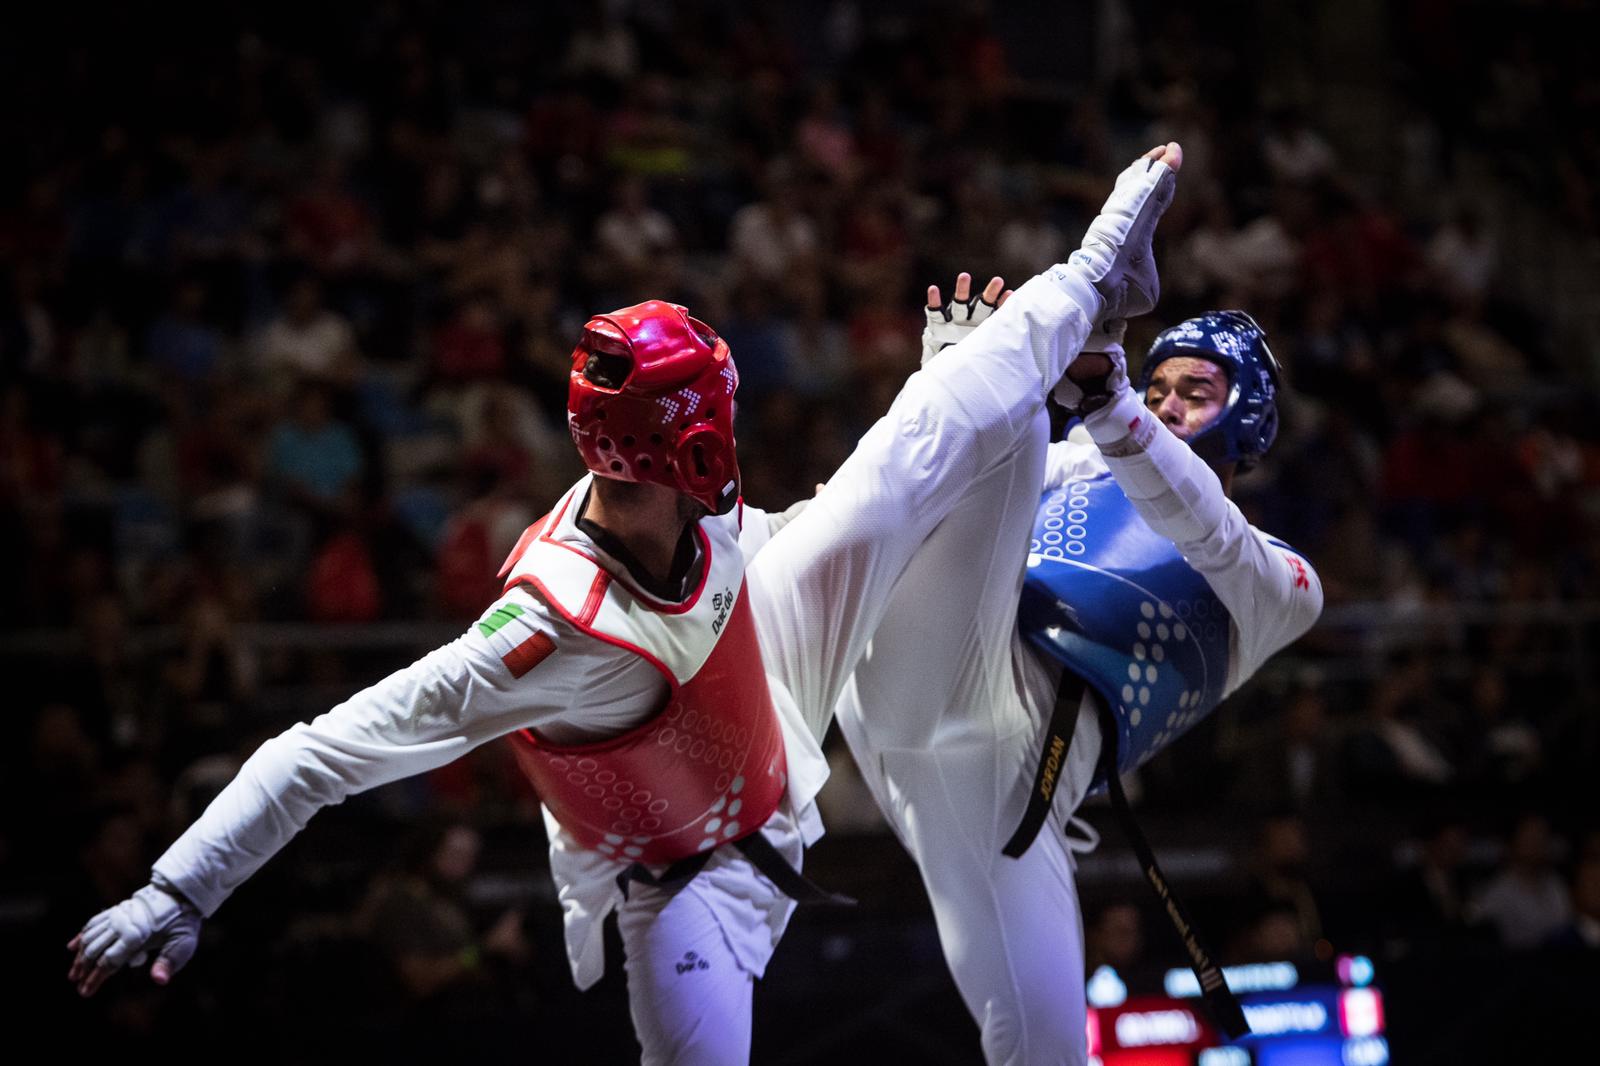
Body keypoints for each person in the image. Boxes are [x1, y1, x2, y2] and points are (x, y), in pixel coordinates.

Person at [65, 146, 1186, 1063]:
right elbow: (320, 754)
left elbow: (796, 516)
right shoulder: (545, 633)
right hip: (682, 869)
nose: (734, 427)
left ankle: (1094, 280)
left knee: (920, 441)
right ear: (685, 439)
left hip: (769, 659)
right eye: (718, 413)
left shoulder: (694, 510)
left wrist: (953, 405)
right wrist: (180, 888)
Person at [834, 297, 1324, 1063]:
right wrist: (964, 382)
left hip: (1007, 800)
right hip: (950, 677)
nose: (1166, 404)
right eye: (1155, 386)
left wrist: (1113, 403)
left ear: (1249, 418)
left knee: (1049, 1050)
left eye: (1195, 391)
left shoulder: (1280, 583)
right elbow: (961, 489)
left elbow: (1198, 521)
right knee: (1012, 433)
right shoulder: (1083, 458)